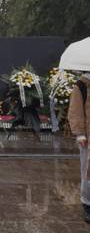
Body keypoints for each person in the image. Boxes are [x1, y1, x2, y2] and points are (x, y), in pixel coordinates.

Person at [68, 72, 90, 223]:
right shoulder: (82, 85)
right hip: (88, 136)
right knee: (88, 171)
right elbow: (75, 110)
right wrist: (80, 133)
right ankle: (87, 203)